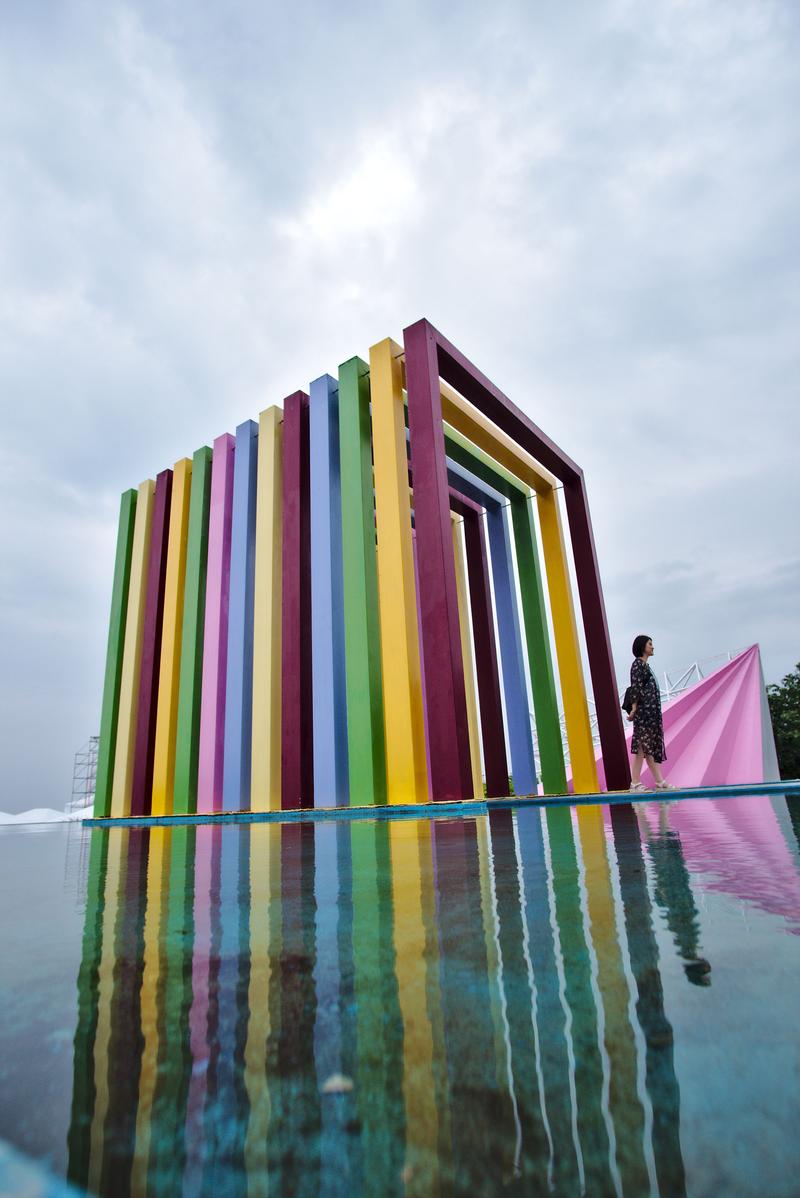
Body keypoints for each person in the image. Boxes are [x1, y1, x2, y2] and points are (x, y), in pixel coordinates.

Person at [627, 635, 674, 791]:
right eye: (650, 644)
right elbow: (636, 688)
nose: (652, 647)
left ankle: (659, 781)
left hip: (651, 713)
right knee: (642, 747)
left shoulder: (646, 666)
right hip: (644, 713)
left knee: (647, 748)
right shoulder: (637, 665)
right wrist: (634, 708)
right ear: (642, 646)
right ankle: (635, 782)